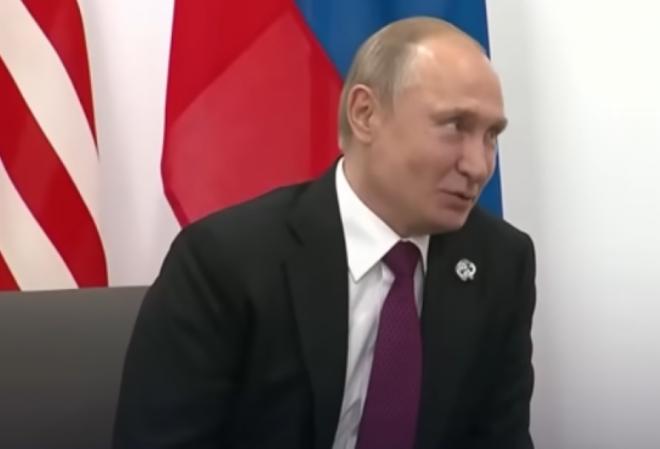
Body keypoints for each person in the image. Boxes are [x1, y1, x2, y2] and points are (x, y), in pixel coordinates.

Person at [114, 16, 536, 449]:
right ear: (365, 114)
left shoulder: (501, 263)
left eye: (491, 136)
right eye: (455, 126)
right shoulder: (226, 263)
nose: (478, 166)